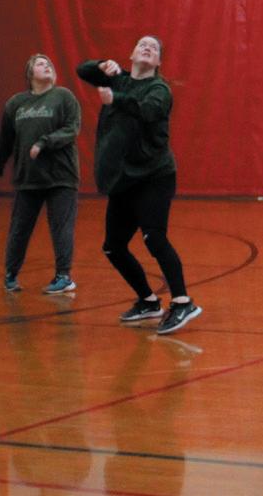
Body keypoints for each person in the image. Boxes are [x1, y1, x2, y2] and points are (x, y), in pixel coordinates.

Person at [77, 36, 199, 335]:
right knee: (113, 247)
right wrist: (101, 65)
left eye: (154, 48)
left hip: (154, 176)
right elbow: (83, 71)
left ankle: (182, 302)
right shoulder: (118, 78)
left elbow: (147, 110)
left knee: (154, 237)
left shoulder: (159, 89)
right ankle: (148, 301)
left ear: (158, 62)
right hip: (124, 178)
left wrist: (116, 99)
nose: (147, 48)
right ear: (131, 55)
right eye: (142, 45)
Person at [0, 54, 83, 295]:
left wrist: (44, 142)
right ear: (30, 73)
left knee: (61, 227)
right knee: (20, 228)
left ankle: (63, 276)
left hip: (61, 175)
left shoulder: (64, 97)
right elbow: (6, 138)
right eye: (41, 64)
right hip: (28, 176)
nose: (47, 66)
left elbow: (71, 129)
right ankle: (11, 274)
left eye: (49, 64)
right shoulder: (16, 103)